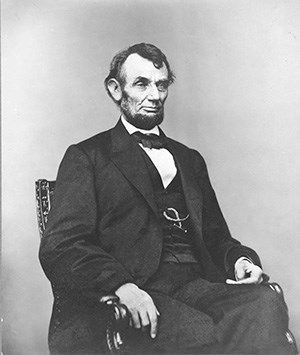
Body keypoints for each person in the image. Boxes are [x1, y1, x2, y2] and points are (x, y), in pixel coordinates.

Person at [39, 42, 296, 354]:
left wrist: (241, 261)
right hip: (136, 286)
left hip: (195, 283)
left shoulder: (189, 159)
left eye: (161, 85)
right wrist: (121, 286)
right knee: (198, 331)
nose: (154, 96)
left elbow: (217, 238)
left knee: (264, 302)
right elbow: (62, 244)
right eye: (141, 84)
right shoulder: (88, 157)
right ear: (115, 89)